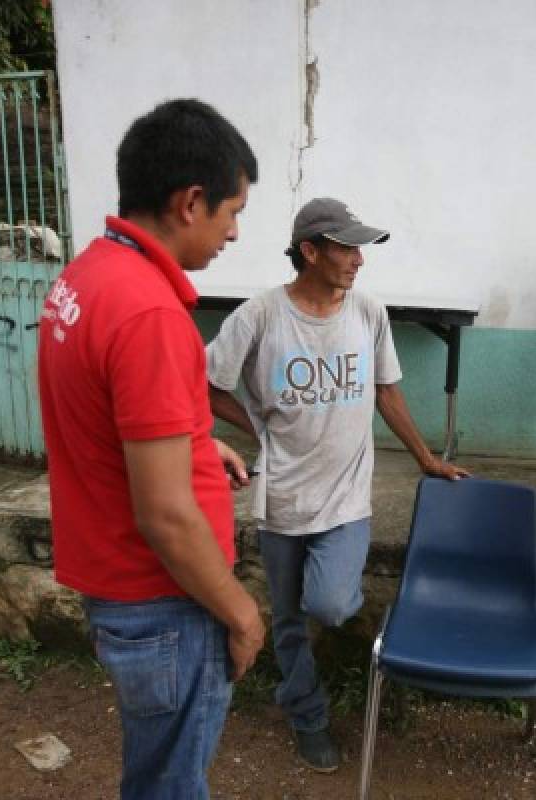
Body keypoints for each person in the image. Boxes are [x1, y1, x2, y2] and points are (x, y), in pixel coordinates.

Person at [37, 98, 265, 799]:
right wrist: (241, 611)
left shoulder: (90, 274)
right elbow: (165, 515)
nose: (232, 233)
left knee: (157, 772)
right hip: (165, 601)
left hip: (123, 587)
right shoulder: (149, 313)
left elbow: (114, 423)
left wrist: (199, 447)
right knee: (170, 784)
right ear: (190, 202)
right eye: (232, 213)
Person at [205, 197, 469, 772]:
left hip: (346, 496)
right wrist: (257, 424)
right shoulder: (261, 316)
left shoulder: (367, 313)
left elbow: (387, 391)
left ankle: (293, 657)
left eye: (360, 249)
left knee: (328, 601)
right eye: (347, 247)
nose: (358, 260)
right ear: (310, 251)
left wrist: (426, 458)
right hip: (281, 496)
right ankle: (307, 713)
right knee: (290, 620)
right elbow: (207, 384)